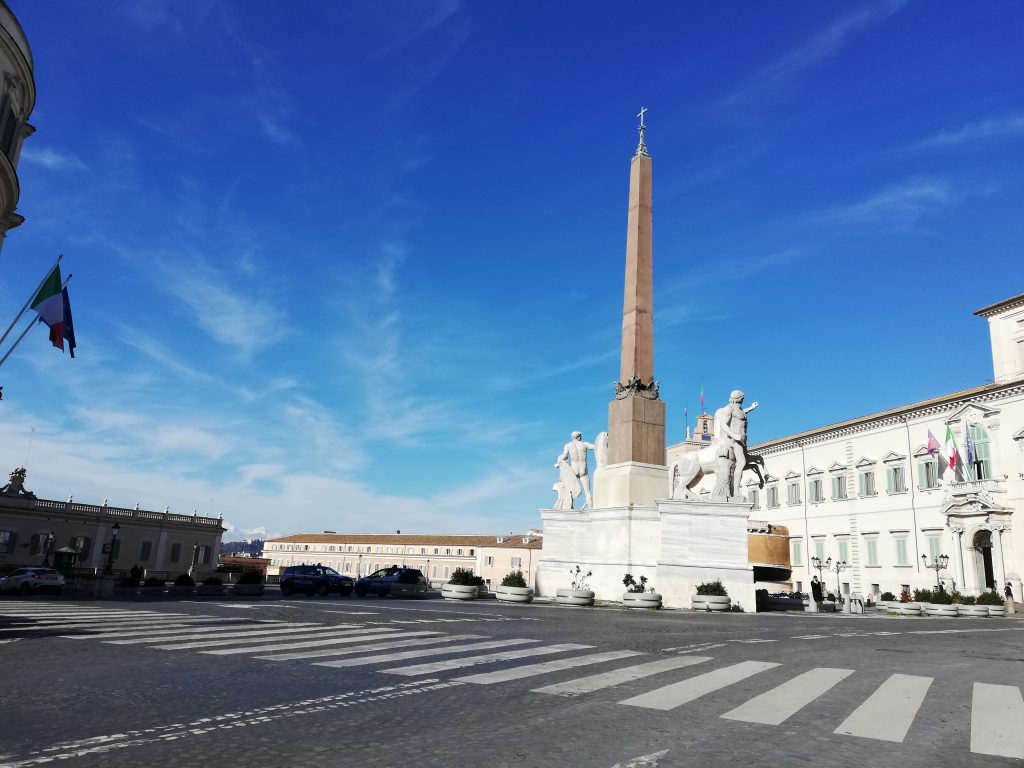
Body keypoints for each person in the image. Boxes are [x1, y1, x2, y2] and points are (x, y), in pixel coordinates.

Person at [713, 390, 759, 498]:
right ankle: (736, 492)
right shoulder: (729, 408)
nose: (743, 399)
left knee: (744, 461)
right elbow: (723, 424)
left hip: (743, 440)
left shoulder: (740, 409)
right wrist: (734, 435)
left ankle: (735, 490)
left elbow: (742, 414)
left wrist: (751, 408)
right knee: (742, 462)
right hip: (736, 440)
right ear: (738, 398)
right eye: (742, 397)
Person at [555, 431, 596, 509]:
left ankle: (567, 505)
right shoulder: (584, 444)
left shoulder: (568, 445)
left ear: (572, 437)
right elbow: (595, 447)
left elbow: (563, 457)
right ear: (579, 437)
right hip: (583, 469)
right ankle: (591, 510)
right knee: (587, 492)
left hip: (574, 469)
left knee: (569, 489)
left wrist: (558, 463)